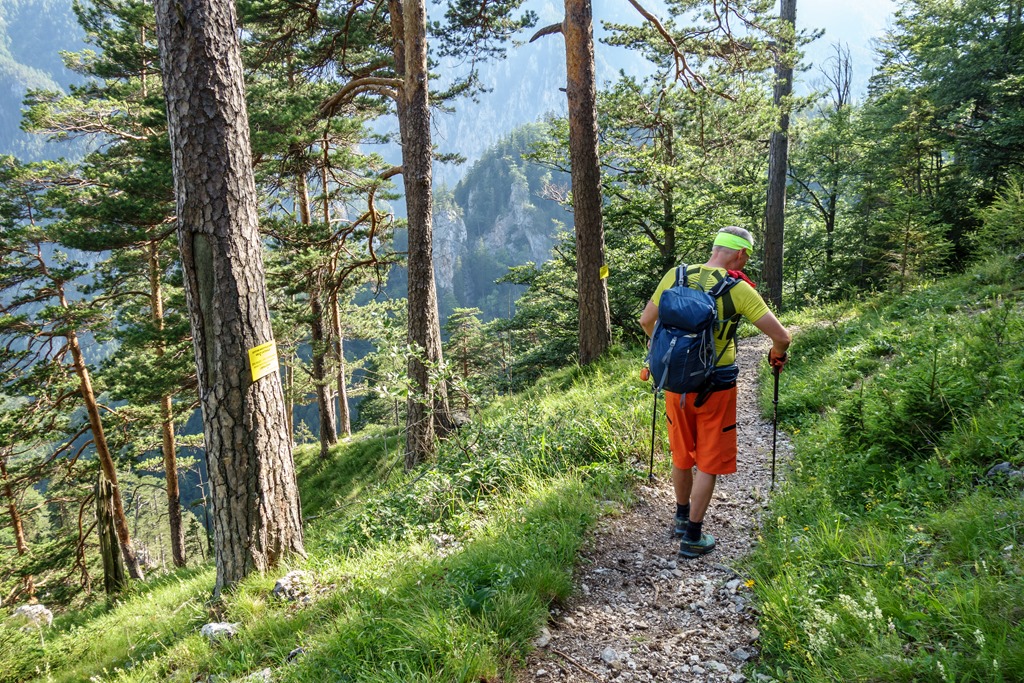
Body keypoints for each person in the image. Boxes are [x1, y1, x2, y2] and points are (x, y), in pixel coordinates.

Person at [639, 226, 791, 558]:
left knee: (682, 453)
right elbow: (782, 336)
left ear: (715, 249)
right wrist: (776, 355)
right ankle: (693, 537)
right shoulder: (738, 289)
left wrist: (664, 352)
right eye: (746, 256)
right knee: (707, 460)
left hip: (675, 382)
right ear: (740, 254)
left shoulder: (677, 276)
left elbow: (646, 320)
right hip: (717, 386)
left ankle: (681, 518)